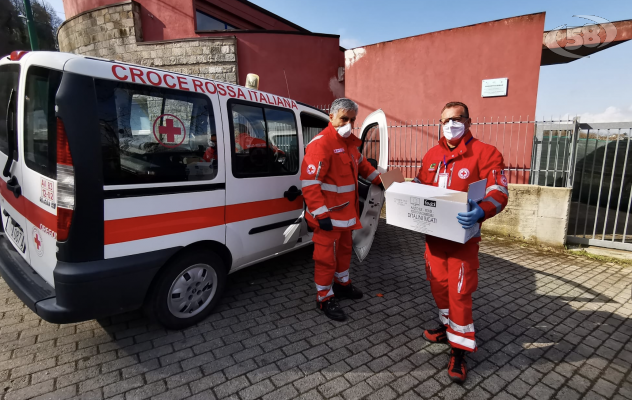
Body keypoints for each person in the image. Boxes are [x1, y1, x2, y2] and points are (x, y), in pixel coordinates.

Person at [413, 101, 508, 384]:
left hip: (462, 241)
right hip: (434, 238)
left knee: (459, 293)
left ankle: (459, 349)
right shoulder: (432, 154)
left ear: (468, 121)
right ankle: (447, 326)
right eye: (444, 121)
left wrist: (482, 210)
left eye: (456, 119)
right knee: (438, 287)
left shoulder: (486, 153)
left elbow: (498, 190)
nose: (450, 125)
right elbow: (420, 186)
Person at [300, 98, 383, 321]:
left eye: (352, 120)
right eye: (344, 118)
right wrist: (320, 214)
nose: (348, 123)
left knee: (345, 252)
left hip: (346, 214)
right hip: (327, 216)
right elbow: (310, 184)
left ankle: (342, 284)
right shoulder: (321, 144)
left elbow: (363, 165)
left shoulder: (349, 144)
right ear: (332, 117)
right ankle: (324, 297)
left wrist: (380, 180)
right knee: (325, 258)